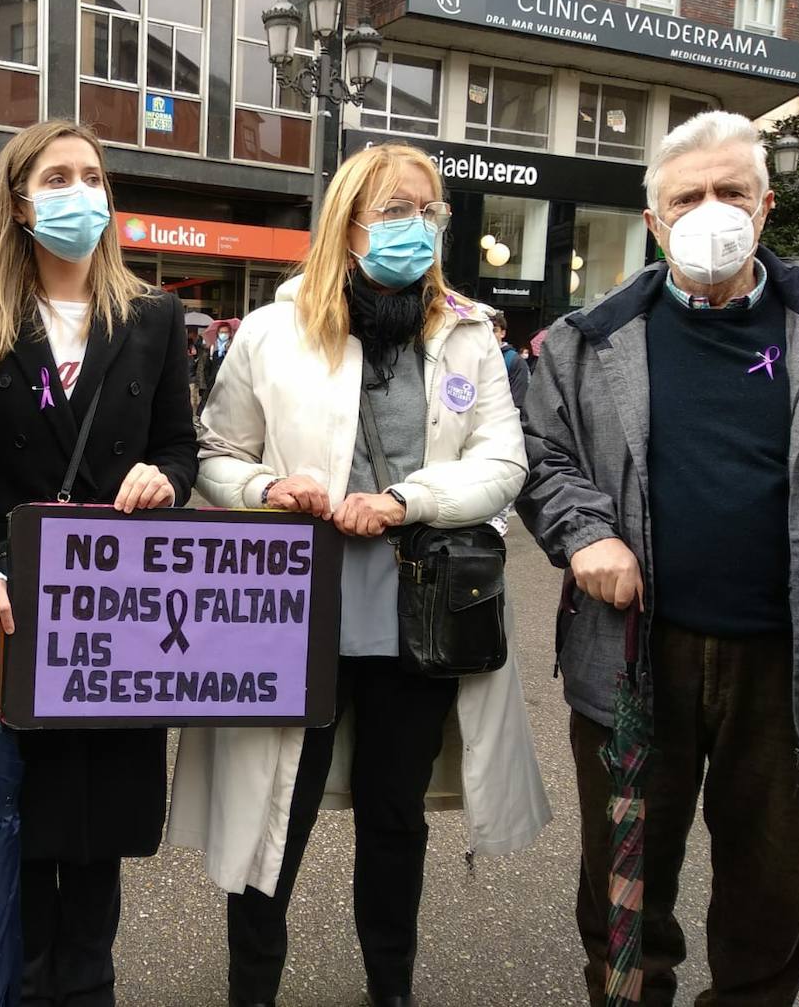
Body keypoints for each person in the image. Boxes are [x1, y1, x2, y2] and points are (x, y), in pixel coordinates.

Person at [167, 142, 550, 1007]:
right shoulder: (272, 330)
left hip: (415, 618)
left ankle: (391, 986)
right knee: (276, 815)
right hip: (292, 618)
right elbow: (216, 455)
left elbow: (504, 461)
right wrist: (270, 485)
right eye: (394, 210)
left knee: (394, 819)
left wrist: (406, 499)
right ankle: (252, 989)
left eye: (429, 210)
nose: (415, 226)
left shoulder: (468, 332)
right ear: (347, 226)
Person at [517, 110, 799, 1006]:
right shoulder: (587, 338)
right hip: (638, 657)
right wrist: (585, 533)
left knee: (773, 894)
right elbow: (540, 454)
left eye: (732, 192)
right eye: (690, 196)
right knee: (625, 893)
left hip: (788, 662)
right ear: (655, 220)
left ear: (765, 211)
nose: (711, 210)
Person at [0, 119, 197, 1007]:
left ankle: (90, 989)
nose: (81, 191)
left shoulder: (152, 318)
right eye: (58, 176)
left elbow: (181, 451)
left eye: (92, 174)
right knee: (23, 842)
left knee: (98, 847)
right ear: (20, 201)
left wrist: (167, 480)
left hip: (117, 624)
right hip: (8, 619)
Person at [492, 310, 530, 411]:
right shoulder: (474, 357)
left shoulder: (515, 361)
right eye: (486, 330)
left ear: (503, 333)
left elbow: (518, 401)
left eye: (494, 330)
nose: (489, 334)